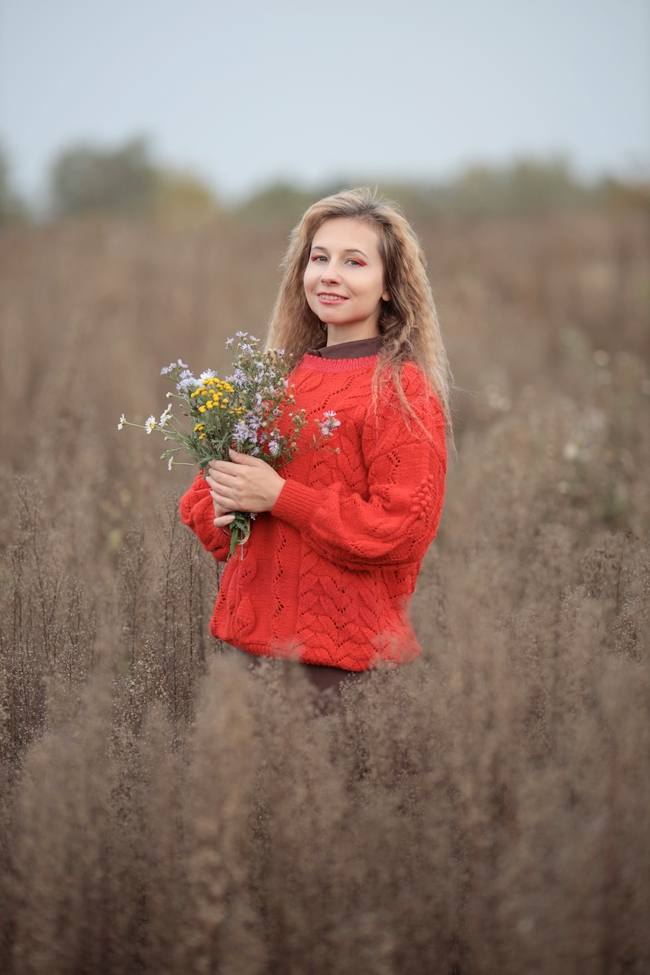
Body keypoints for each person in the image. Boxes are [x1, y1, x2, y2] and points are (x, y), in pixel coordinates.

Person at [180, 188, 451, 693]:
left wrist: (281, 497)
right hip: (245, 658)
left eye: (354, 262)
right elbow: (206, 512)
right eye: (319, 258)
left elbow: (401, 530)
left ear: (389, 284)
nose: (329, 274)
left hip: (341, 669)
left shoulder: (399, 389)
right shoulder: (273, 380)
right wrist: (224, 503)